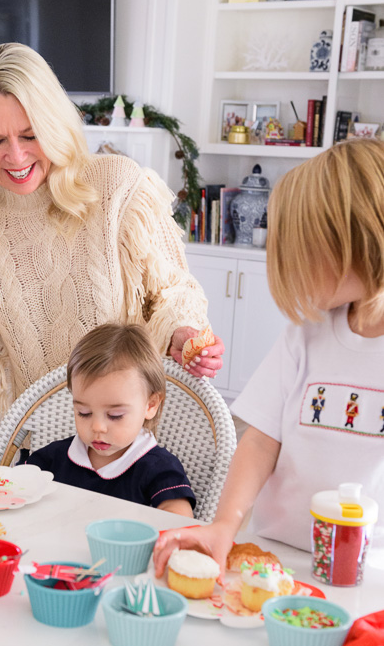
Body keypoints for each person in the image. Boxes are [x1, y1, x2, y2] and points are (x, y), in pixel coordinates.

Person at [0, 42, 223, 440]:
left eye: (30, 135)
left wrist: (182, 333)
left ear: (54, 125)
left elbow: (173, 292)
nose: (15, 157)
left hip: (133, 444)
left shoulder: (117, 188)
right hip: (44, 454)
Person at [152, 138, 384, 580]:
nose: (291, 267)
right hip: (274, 555)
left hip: (369, 574)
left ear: (360, 241)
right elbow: (260, 441)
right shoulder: (307, 334)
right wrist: (225, 525)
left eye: (304, 251)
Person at [25, 323, 195, 514]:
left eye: (115, 416)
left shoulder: (159, 469)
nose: (97, 427)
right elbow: (13, 484)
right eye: (84, 413)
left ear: (151, 405)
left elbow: (181, 523)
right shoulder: (55, 458)